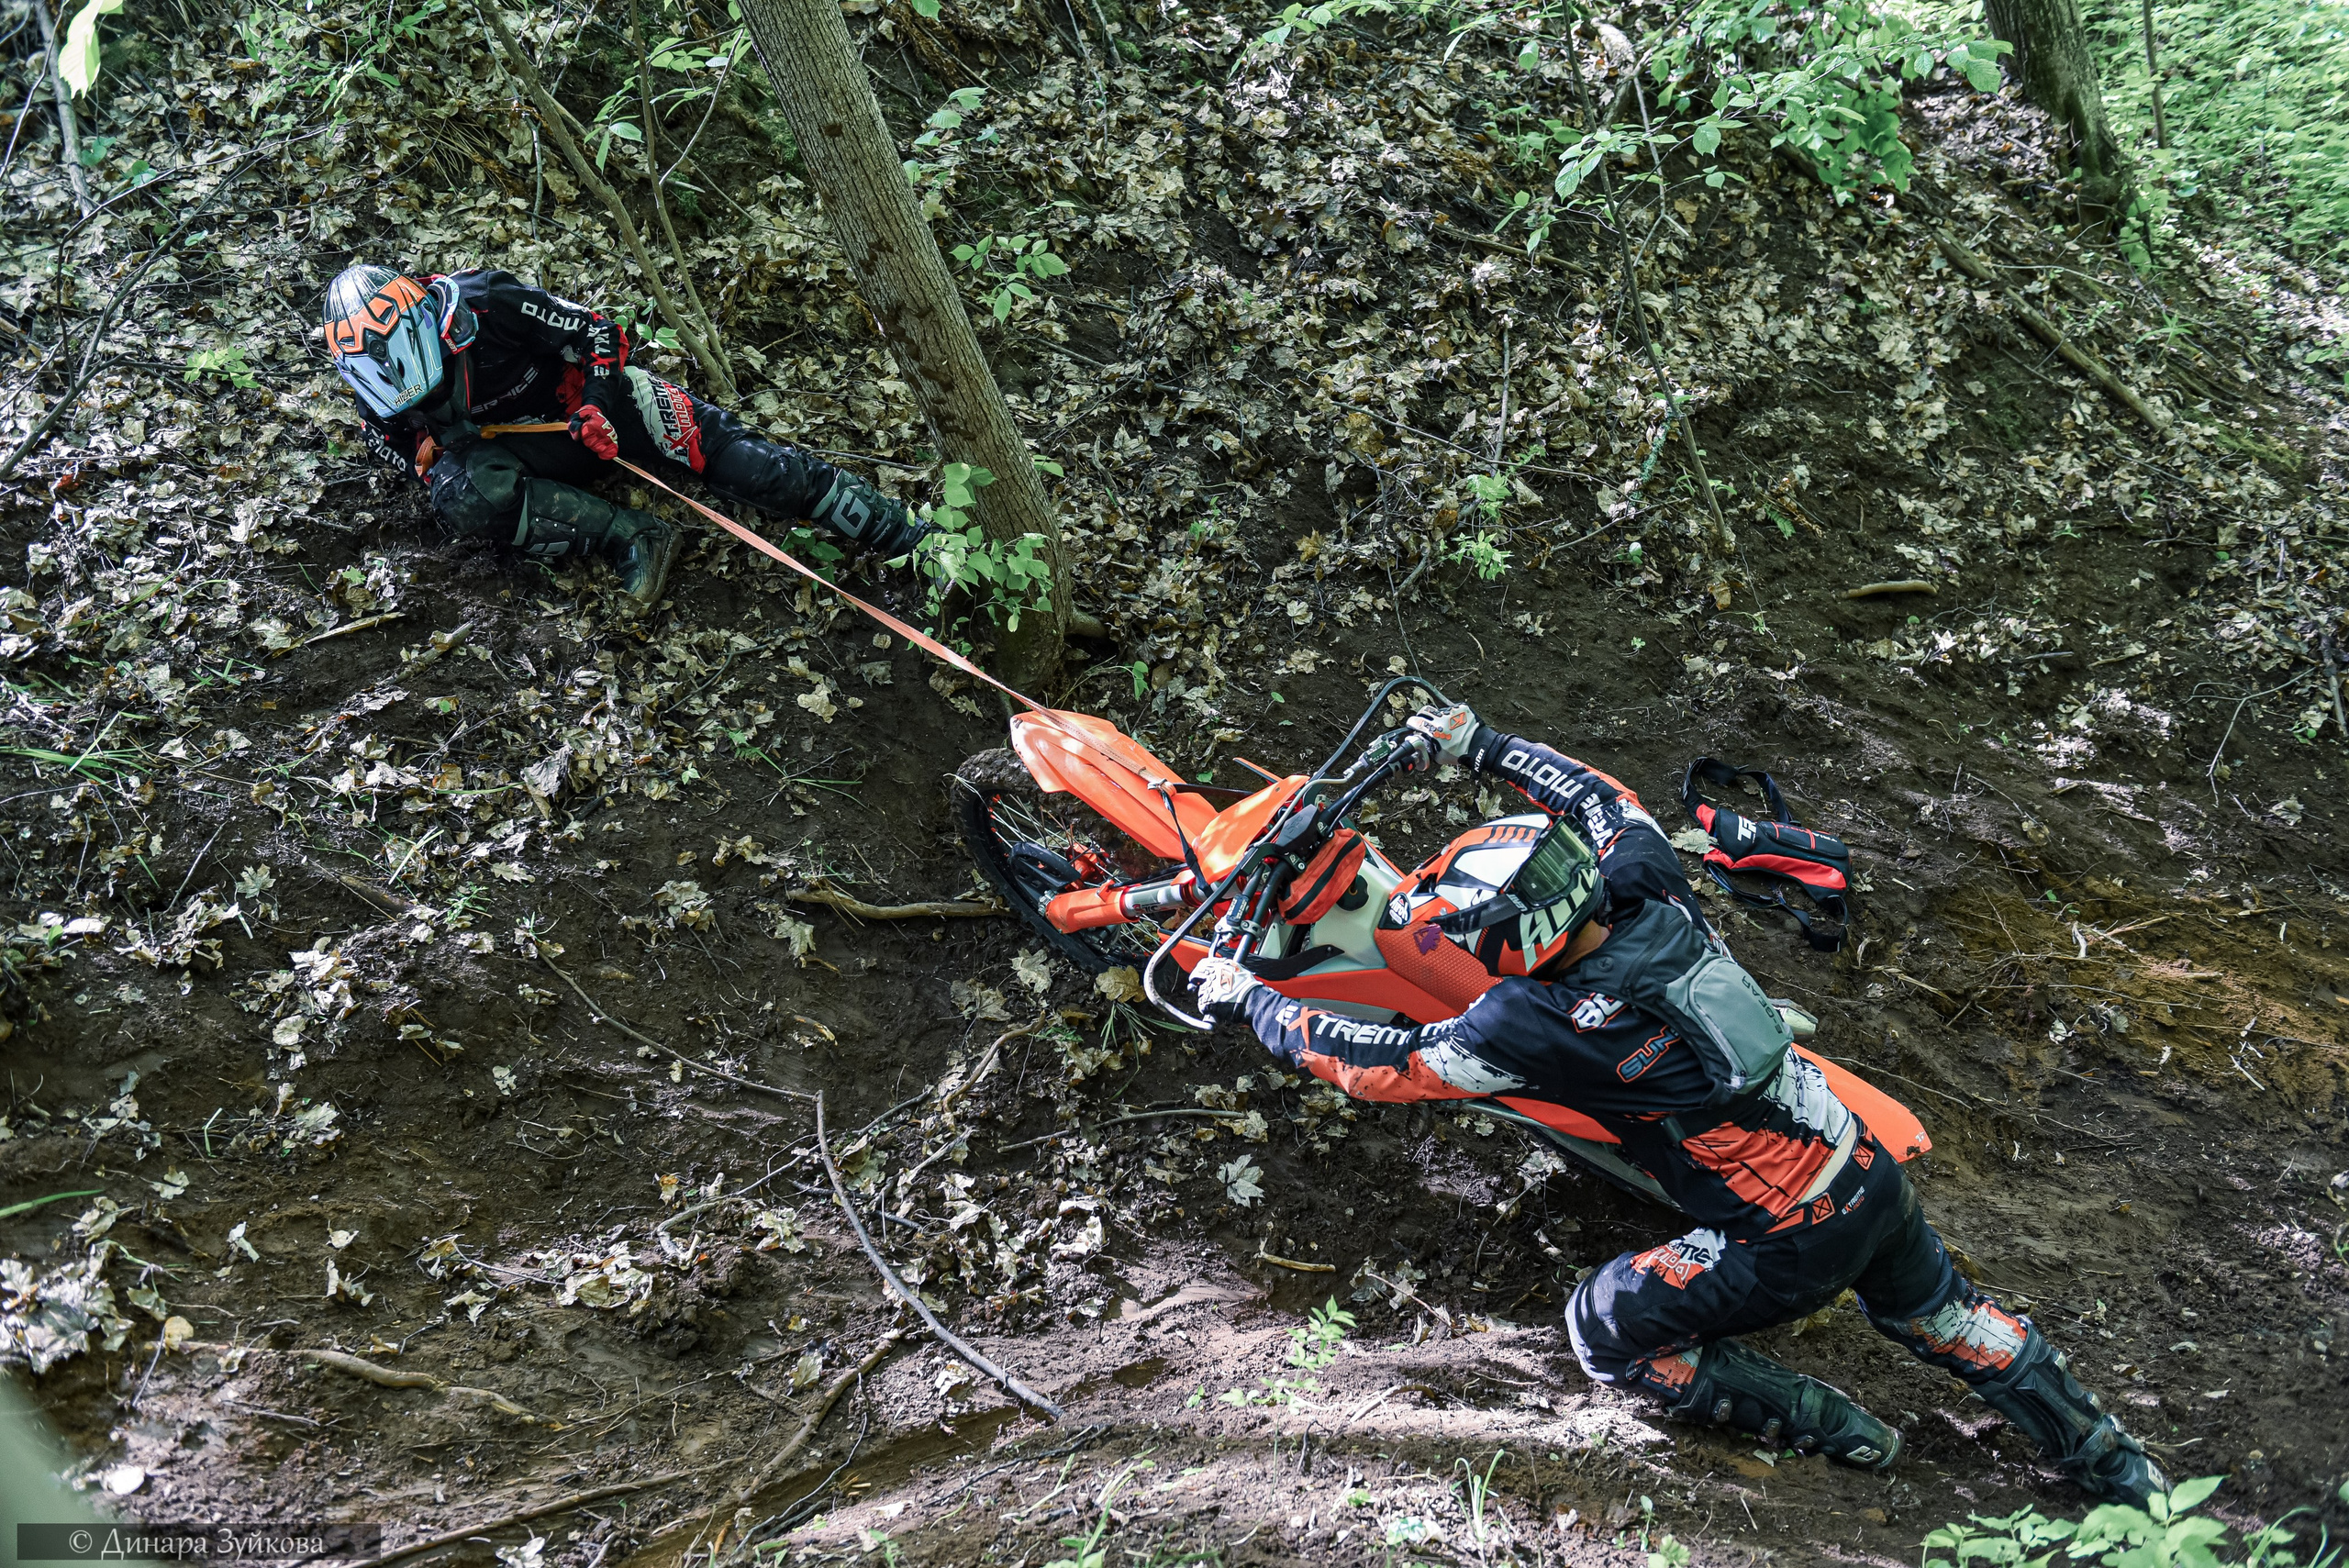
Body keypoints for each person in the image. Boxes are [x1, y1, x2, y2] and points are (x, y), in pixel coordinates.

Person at [1188, 701, 2162, 1507]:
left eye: (1470, 930)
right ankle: (2123, 1472)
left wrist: (1255, 1002)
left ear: (1515, 939)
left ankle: (1835, 1428)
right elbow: (1600, 797)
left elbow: (1388, 1062)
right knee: (1948, 1315)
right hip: (1862, 1166)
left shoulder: (1535, 1023)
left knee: (1603, 1332)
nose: (1459, 939)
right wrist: (1479, 742)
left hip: (1781, 1240)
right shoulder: (1645, 887)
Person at [321, 263, 928, 604]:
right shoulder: (370, 390)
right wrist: (427, 456)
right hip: (524, 453)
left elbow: (600, 332)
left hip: (601, 406)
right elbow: (400, 450)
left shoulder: (486, 300)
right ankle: (630, 536)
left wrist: (598, 404)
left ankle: (909, 537)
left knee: (755, 469)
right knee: (461, 496)